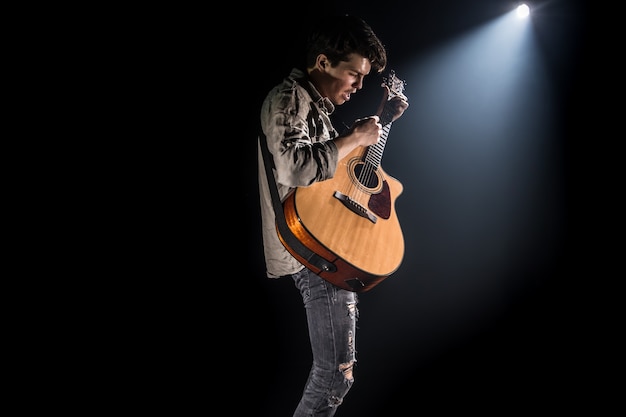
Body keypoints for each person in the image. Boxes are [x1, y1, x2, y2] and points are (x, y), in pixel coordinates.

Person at [257, 14, 409, 417]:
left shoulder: (316, 108)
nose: (359, 86)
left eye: (364, 79)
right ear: (322, 62)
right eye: (354, 75)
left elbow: (336, 173)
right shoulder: (289, 98)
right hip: (314, 250)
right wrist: (355, 137)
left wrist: (381, 123)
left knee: (337, 374)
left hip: (327, 245)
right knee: (334, 375)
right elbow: (293, 167)